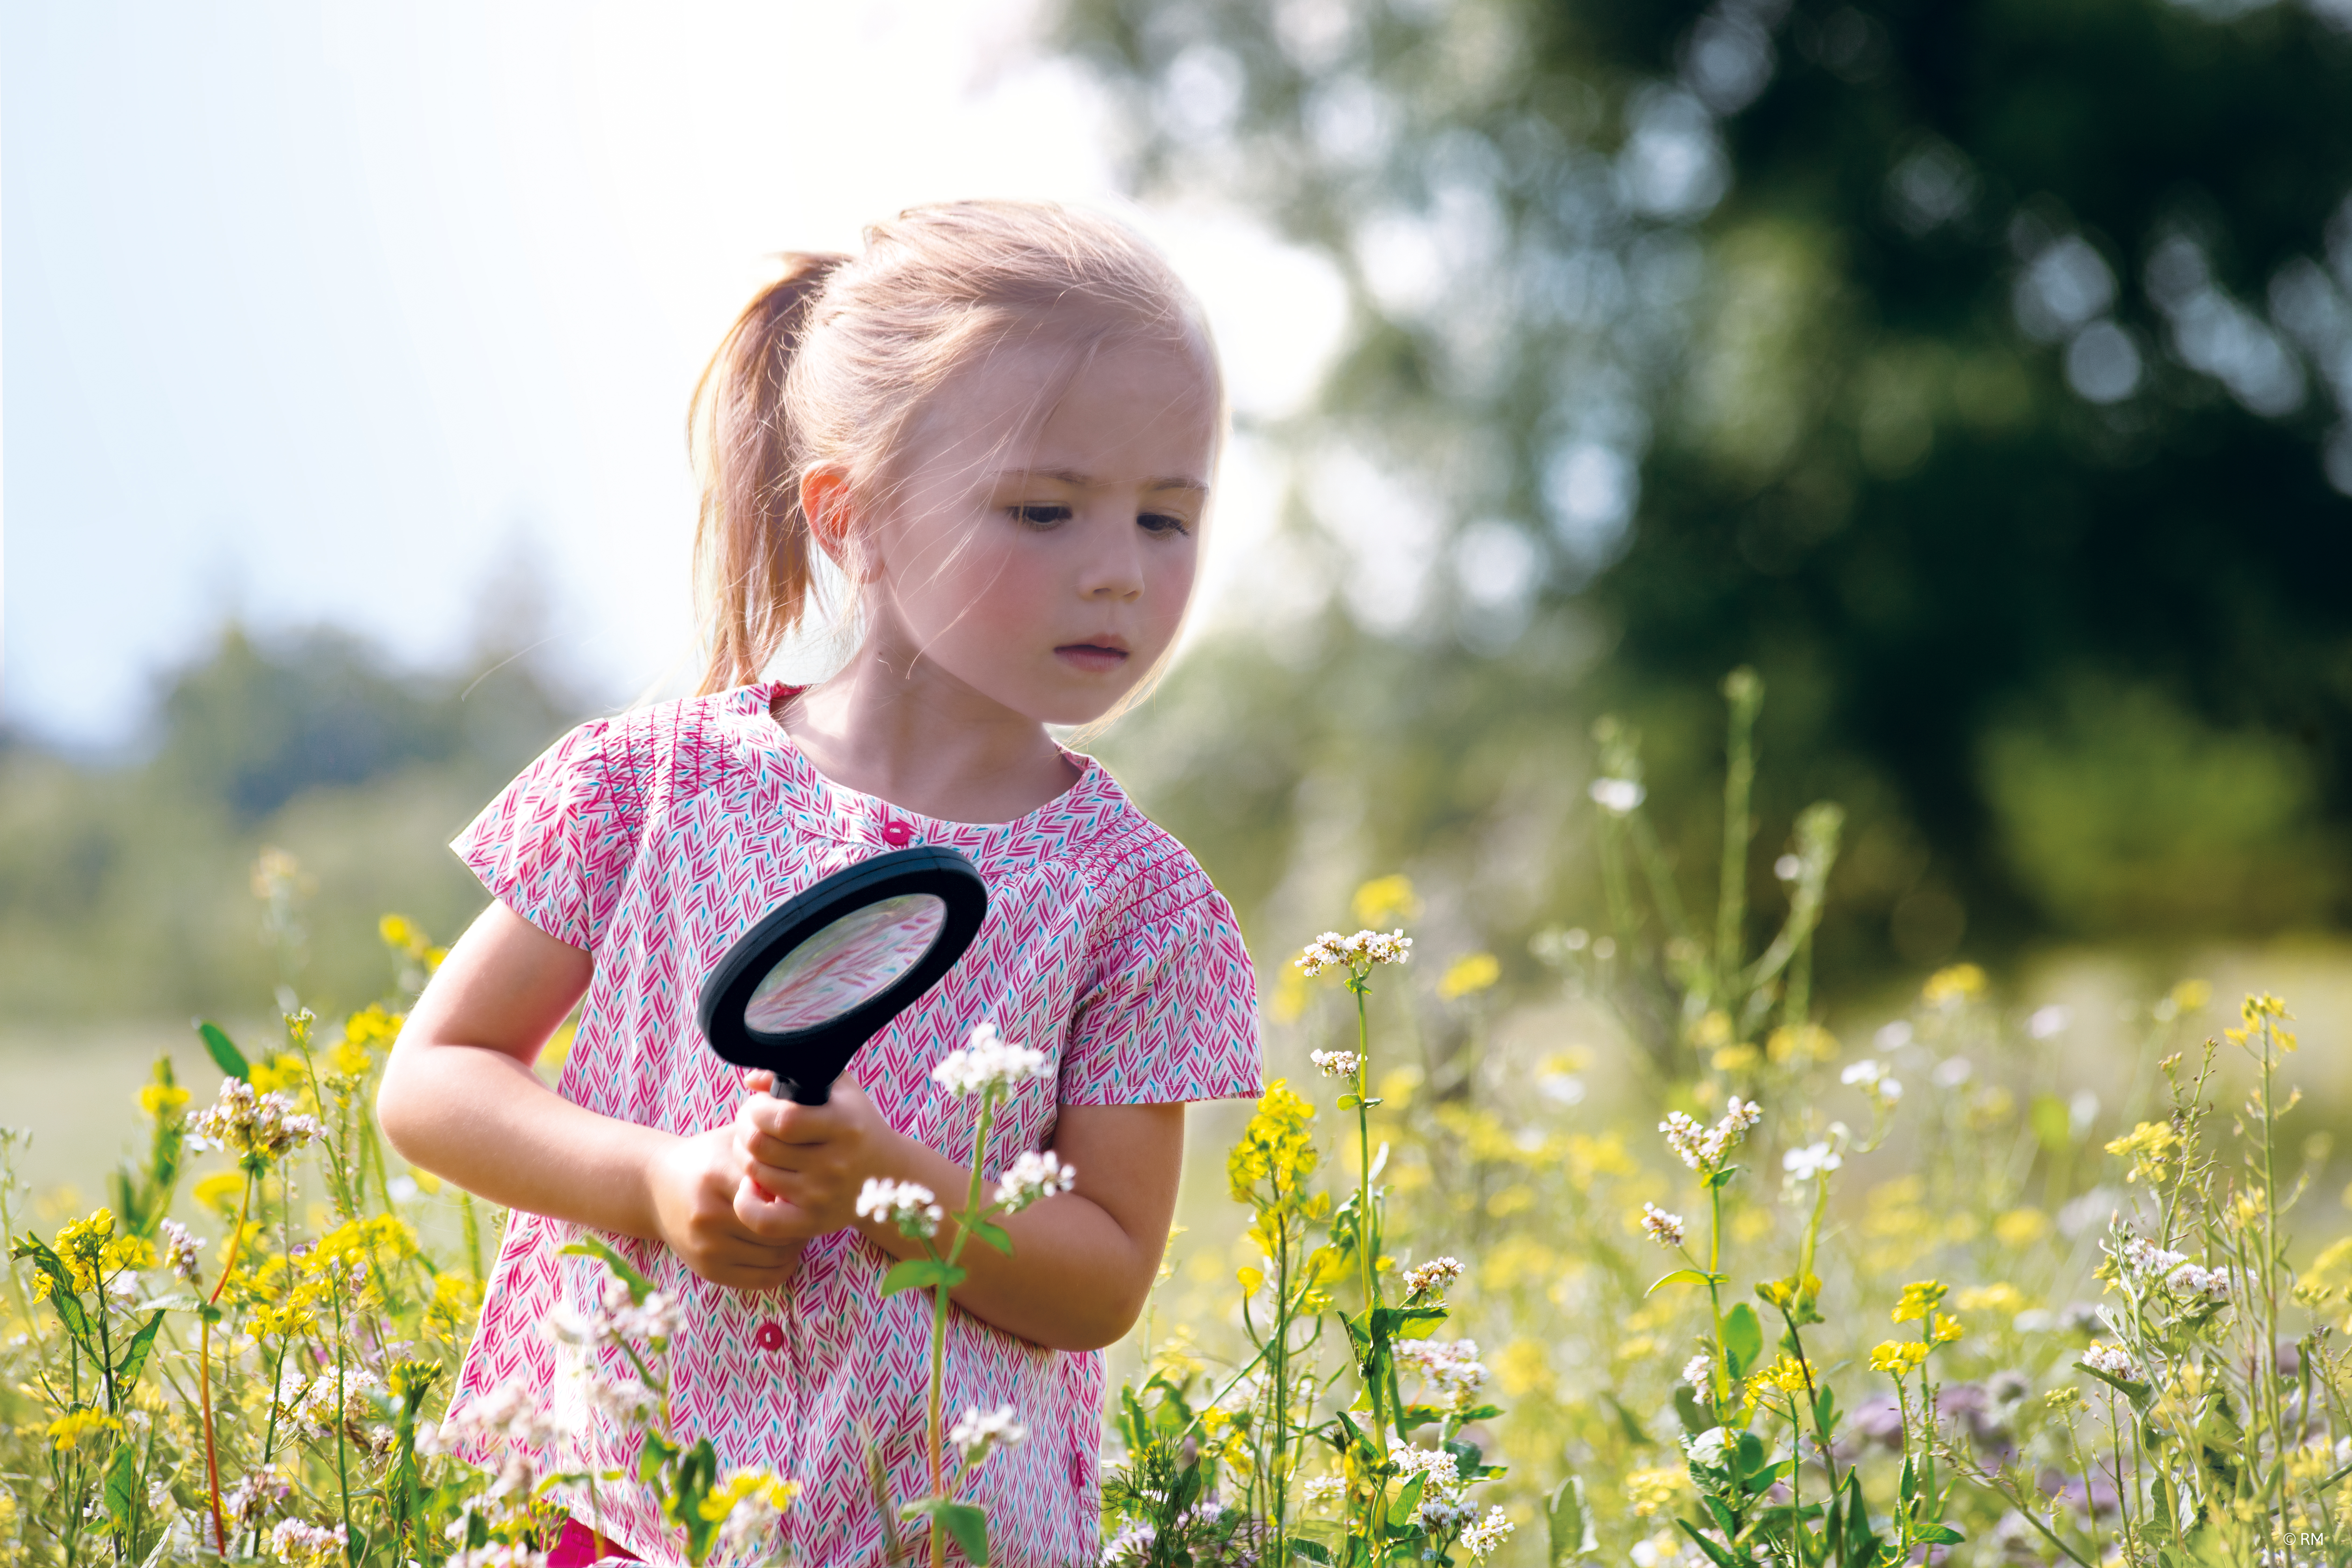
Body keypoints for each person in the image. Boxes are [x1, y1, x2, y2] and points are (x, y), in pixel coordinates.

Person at [377, 200, 1263, 1566]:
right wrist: (661, 1180)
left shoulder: (1137, 900)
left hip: (939, 1532)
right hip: (633, 1511)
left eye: (1168, 519)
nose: (1118, 571)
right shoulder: (651, 784)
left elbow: (1102, 1279)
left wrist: (889, 1183)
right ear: (852, 517)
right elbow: (434, 1082)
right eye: (1044, 508)